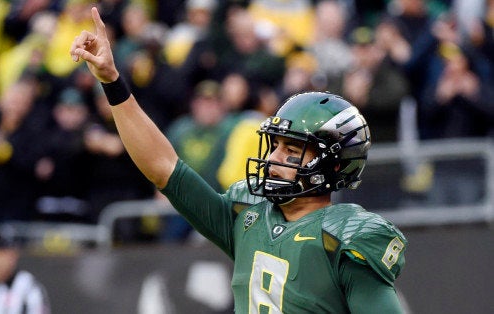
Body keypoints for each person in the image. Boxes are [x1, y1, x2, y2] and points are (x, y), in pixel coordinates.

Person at [70, 7, 408, 313]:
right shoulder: (247, 215)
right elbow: (163, 167)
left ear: (333, 165)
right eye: (274, 146)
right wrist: (113, 82)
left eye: (291, 151)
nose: (274, 159)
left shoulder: (343, 238)